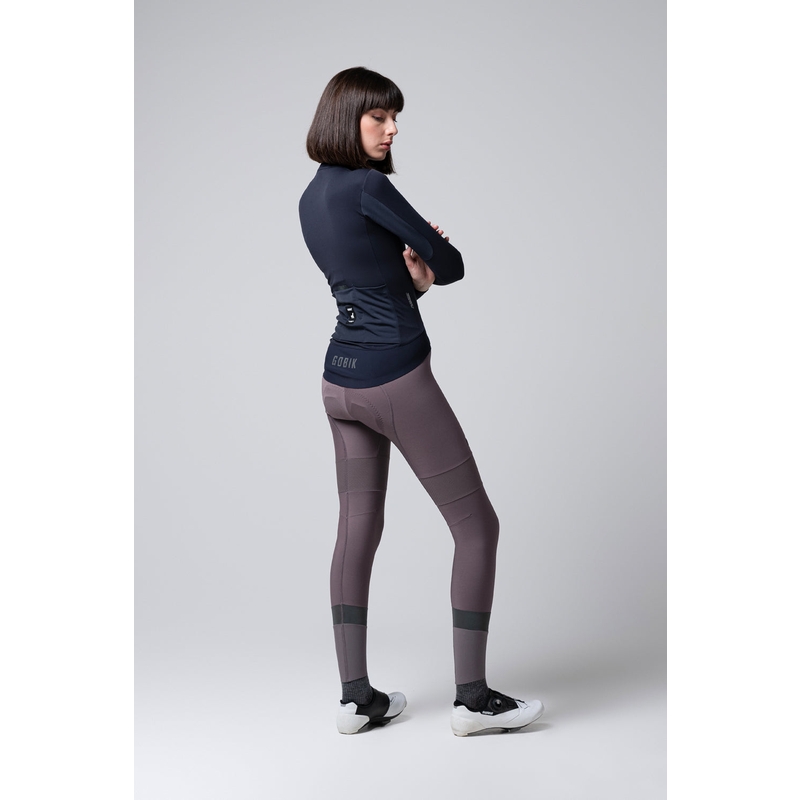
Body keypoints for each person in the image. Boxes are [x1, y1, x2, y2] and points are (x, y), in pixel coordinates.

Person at [299, 66, 543, 736]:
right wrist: (432, 260)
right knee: (477, 527)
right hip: (394, 379)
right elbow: (453, 263)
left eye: (395, 118)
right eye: (379, 117)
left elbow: (370, 282)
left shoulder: (311, 198)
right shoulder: (369, 187)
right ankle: (473, 701)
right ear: (346, 118)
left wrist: (414, 279)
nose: (392, 129)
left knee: (357, 529)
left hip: (338, 382)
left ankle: (356, 699)